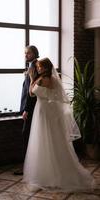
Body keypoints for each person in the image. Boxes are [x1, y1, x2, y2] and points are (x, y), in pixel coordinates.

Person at [23, 58, 95, 192]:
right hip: (45, 111)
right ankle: (50, 173)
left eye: (40, 67)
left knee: (46, 141)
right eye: (37, 67)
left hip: (45, 112)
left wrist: (33, 78)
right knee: (48, 141)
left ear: (45, 67)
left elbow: (32, 93)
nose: (38, 69)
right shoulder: (48, 79)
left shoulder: (46, 79)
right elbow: (35, 94)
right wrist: (34, 79)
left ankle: (51, 176)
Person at [14, 45, 39, 175]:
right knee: (28, 136)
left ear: (34, 53)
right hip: (30, 108)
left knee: (26, 135)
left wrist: (26, 110)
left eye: (28, 53)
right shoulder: (31, 65)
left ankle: (27, 167)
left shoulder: (35, 66)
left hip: (31, 108)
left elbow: (32, 92)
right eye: (25, 53)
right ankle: (29, 166)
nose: (25, 55)